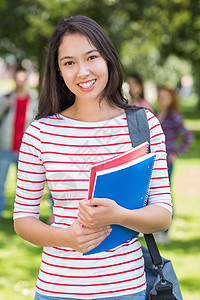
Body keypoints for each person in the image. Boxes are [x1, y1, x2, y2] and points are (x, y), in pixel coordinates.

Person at [13, 16, 172, 300]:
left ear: (108, 59)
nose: (83, 72)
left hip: (126, 289)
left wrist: (120, 216)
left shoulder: (144, 125)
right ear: (59, 71)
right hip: (57, 289)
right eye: (69, 62)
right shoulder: (40, 132)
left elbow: (162, 215)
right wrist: (65, 238)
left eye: (91, 57)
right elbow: (23, 219)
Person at [155, 85, 193, 244]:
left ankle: (165, 232)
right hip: (155, 160)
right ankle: (156, 230)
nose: (161, 100)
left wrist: (176, 153)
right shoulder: (156, 114)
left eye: (164, 97)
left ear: (171, 99)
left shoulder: (173, 116)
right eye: (160, 96)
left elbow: (188, 138)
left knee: (165, 193)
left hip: (167, 161)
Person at [0, 67, 38, 218]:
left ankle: (22, 216)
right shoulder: (6, 98)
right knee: (0, 183)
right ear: (15, 80)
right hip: (5, 148)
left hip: (25, 151)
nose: (20, 82)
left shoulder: (34, 101)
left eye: (23, 80)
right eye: (18, 79)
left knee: (24, 187)